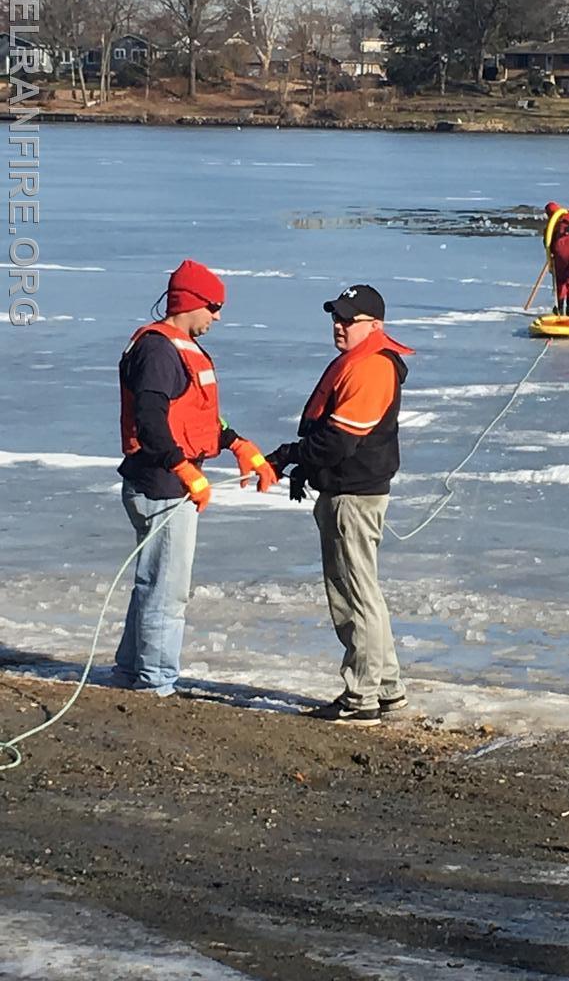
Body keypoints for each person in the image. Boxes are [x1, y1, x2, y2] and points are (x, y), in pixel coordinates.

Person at [114, 259, 277, 696]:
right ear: (190, 303)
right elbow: (151, 421)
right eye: (214, 306)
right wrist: (182, 468)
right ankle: (156, 681)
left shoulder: (180, 347)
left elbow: (197, 416)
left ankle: (130, 671)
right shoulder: (157, 351)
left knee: (153, 580)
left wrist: (239, 444)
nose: (218, 317)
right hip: (161, 485)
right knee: (166, 590)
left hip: (170, 482)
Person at [267, 285, 414, 727]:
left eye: (349, 319)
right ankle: (387, 688)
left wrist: (293, 456)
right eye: (336, 317)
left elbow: (341, 437)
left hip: (354, 496)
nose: (339, 325)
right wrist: (304, 469)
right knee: (362, 590)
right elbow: (332, 438)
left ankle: (362, 696)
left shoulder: (372, 367)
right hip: (346, 490)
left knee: (355, 595)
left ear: (375, 325)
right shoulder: (362, 361)